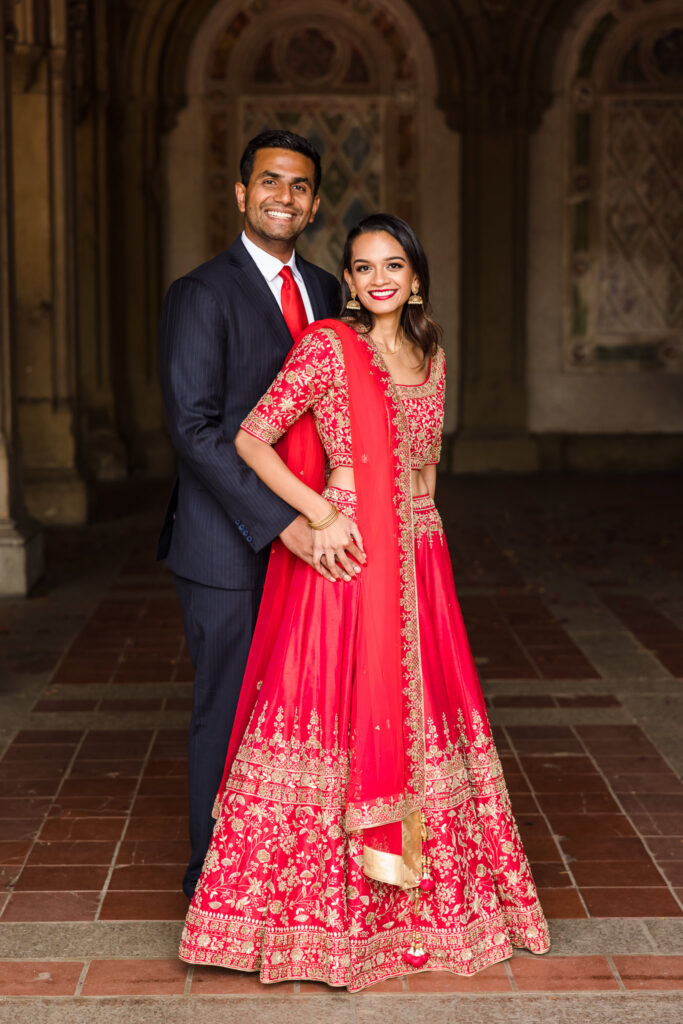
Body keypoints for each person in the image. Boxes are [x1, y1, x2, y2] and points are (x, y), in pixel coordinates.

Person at [178, 213, 550, 990]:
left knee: (422, 713)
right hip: (346, 562)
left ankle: (421, 916)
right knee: (334, 716)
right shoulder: (326, 347)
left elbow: (425, 466)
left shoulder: (431, 353)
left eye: (393, 266)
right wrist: (316, 515)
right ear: (346, 281)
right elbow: (250, 438)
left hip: (417, 558)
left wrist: (427, 541)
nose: (378, 279)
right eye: (361, 267)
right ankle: (310, 923)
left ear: (415, 277)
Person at [158, 130, 343, 900]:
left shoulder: (332, 291)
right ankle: (214, 873)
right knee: (229, 705)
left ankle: (284, 862)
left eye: (299, 186)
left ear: (316, 202)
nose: (283, 197)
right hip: (227, 545)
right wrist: (282, 524)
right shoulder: (203, 293)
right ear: (240, 194)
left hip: (319, 535)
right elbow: (193, 427)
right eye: (269, 182)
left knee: (301, 707)